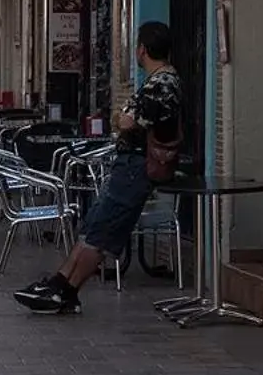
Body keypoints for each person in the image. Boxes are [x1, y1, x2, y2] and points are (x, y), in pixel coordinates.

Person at [16, 21, 184, 315]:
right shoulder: (158, 81)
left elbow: (129, 121)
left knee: (103, 231)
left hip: (136, 166)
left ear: (141, 50)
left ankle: (67, 291)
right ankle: (59, 282)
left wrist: (123, 118)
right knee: (94, 225)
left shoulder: (163, 85)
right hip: (128, 165)